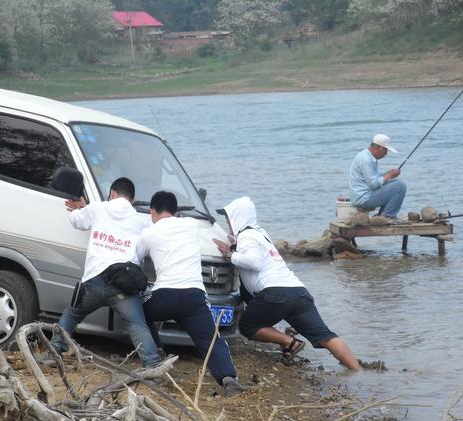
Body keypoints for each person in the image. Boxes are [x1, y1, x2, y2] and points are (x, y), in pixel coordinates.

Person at [213, 197, 361, 370]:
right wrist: (234, 248)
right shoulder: (260, 233)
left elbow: (254, 262)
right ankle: (357, 370)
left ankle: (290, 343)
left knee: (248, 326)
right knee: (324, 336)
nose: (227, 223)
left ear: (238, 217)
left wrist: (229, 255)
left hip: (276, 294)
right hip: (299, 292)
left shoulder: (247, 235)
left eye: (229, 219)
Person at [136, 191, 247, 396]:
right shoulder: (191, 225)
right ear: (176, 211)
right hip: (194, 297)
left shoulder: (148, 233)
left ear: (152, 211)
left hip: (164, 297)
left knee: (137, 311)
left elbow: (134, 259)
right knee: (210, 339)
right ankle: (228, 378)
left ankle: (157, 354)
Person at [45, 177, 161, 368]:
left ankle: (54, 353)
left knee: (72, 314)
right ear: (131, 199)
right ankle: (152, 365)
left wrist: (81, 209)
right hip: (122, 284)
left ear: (112, 193)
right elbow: (141, 253)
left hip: (94, 280)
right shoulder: (141, 221)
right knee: (137, 325)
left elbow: (77, 221)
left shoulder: (98, 208)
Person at [349, 134, 406, 219]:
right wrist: (389, 175)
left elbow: (375, 178)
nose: (386, 154)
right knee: (400, 186)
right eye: (385, 150)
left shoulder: (366, 156)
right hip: (363, 198)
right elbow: (373, 184)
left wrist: (389, 174)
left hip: (362, 196)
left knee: (395, 182)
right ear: (379, 148)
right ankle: (387, 216)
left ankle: (381, 216)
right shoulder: (366, 159)